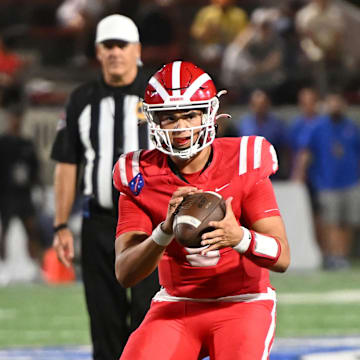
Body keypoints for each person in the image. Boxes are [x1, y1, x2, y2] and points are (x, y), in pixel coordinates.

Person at [113, 61, 290, 360]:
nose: (182, 127)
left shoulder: (245, 159)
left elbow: (282, 257)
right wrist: (164, 232)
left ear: (209, 113)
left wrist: (240, 237)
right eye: (169, 118)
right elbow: (125, 272)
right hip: (177, 304)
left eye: (191, 114)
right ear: (153, 120)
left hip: (243, 303)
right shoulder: (138, 173)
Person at [50, 14, 159, 360]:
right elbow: (67, 164)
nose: (115, 52)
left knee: (151, 315)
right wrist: (61, 224)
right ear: (98, 52)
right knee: (104, 319)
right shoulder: (81, 100)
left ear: (136, 49)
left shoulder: (155, 97)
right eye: (108, 46)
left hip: (149, 223)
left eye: (121, 45)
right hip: (99, 223)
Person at [293, 93, 360, 270]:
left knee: (349, 221)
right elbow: (305, 152)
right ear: (326, 105)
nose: (335, 106)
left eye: (338, 103)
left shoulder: (352, 127)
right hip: (327, 183)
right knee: (330, 222)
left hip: (351, 181)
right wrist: (299, 174)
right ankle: (332, 256)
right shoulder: (317, 127)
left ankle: (342, 255)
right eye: (332, 103)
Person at [0, 110, 44, 275]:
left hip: (24, 193)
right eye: (13, 117)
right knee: (5, 230)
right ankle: (3, 267)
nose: (16, 121)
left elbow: (35, 169)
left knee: (32, 228)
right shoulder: (3, 142)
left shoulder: (27, 143)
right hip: (7, 194)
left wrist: (38, 189)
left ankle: (38, 267)